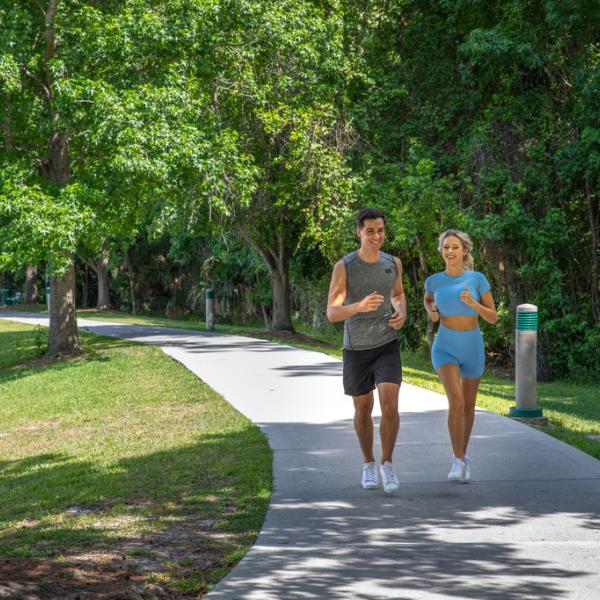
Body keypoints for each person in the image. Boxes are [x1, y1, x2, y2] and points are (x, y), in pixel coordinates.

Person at [327, 208, 407, 493]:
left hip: (386, 343)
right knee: (363, 409)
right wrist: (358, 306)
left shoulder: (392, 263)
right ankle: (368, 464)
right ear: (358, 232)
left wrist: (401, 312)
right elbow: (333, 313)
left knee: (390, 405)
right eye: (370, 231)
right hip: (357, 348)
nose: (377, 236)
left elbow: (397, 294)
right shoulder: (345, 266)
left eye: (381, 230)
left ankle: (387, 463)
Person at [423, 229, 497, 483]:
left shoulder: (477, 279)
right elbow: (428, 299)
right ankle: (456, 460)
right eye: (446, 247)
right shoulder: (434, 281)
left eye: (455, 247)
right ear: (441, 251)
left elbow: (493, 317)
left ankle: (463, 456)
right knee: (456, 402)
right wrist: (431, 310)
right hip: (445, 345)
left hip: (472, 345)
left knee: (468, 405)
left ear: (465, 251)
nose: (450, 252)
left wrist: (473, 304)